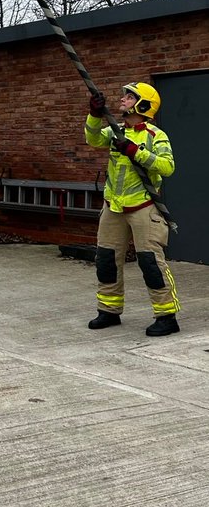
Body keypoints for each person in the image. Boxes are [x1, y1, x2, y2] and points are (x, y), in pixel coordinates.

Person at [85, 81, 179, 336]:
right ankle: (109, 310)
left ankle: (166, 316)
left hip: (143, 208)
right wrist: (94, 115)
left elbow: (167, 167)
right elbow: (92, 139)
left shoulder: (155, 136)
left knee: (150, 263)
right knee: (106, 260)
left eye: (129, 96)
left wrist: (136, 152)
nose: (123, 98)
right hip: (113, 207)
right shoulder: (115, 131)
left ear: (143, 105)